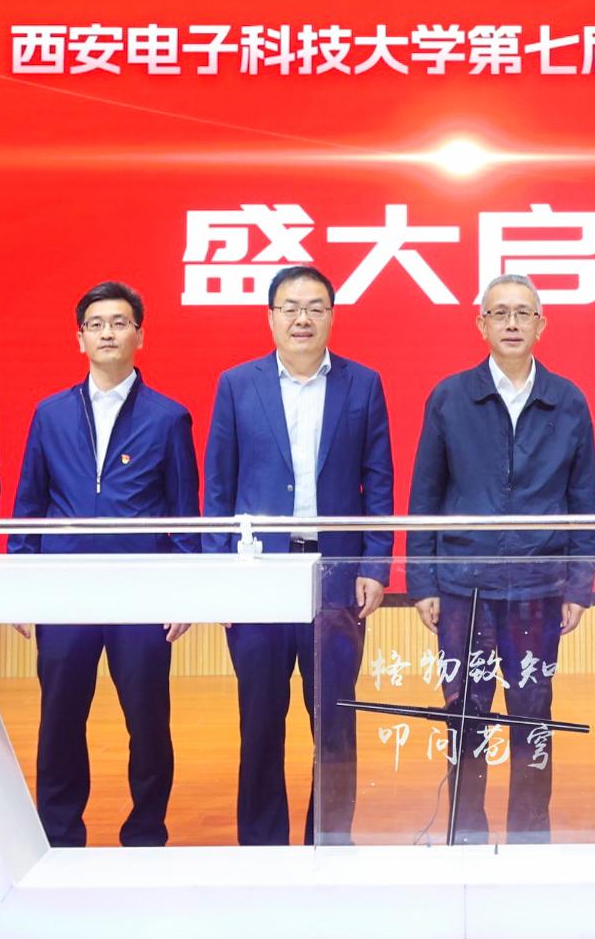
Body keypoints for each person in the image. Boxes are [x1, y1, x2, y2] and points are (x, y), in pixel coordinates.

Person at [203, 265, 393, 845]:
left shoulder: (363, 384)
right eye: (290, 307)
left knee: (334, 719)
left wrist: (375, 565)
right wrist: (220, 576)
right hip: (259, 576)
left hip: (335, 577)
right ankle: (262, 847)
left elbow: (378, 482)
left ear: (332, 316)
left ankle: (328, 841)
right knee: (260, 720)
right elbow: (218, 488)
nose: (302, 318)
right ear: (271, 317)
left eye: (315, 307)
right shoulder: (238, 384)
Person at [406, 273, 595, 844]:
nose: (511, 323)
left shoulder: (567, 400)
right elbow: (425, 495)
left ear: (541, 324)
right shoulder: (450, 397)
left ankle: (529, 839)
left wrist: (578, 585)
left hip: (538, 587)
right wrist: (423, 582)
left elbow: (584, 502)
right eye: (499, 313)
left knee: (533, 716)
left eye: (523, 313)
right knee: (464, 713)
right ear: (481, 324)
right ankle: (466, 834)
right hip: (464, 587)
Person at [8, 281, 198, 848]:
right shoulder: (50, 414)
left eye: (119, 322)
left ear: (140, 335)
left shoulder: (168, 417)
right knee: (60, 718)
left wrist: (184, 592)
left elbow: (186, 516)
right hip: (65, 590)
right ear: (80, 339)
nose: (108, 333)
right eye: (96, 324)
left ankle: (146, 830)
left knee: (148, 720)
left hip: (141, 592)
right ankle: (59, 835)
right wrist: (21, 585)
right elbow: (29, 505)